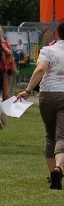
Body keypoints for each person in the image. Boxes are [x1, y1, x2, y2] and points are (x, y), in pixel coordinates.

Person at [16, 19, 64, 190]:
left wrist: (28, 90)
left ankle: (52, 174)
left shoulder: (48, 50)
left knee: (50, 135)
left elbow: (40, 69)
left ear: (57, 34)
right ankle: (59, 168)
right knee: (62, 136)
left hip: (48, 94)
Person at [0, 27, 15, 99]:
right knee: (6, 87)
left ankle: (6, 106)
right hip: (8, 65)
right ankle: (6, 105)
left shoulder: (1, 43)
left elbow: (6, 53)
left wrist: (5, 65)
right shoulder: (6, 42)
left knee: (5, 88)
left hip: (4, 67)